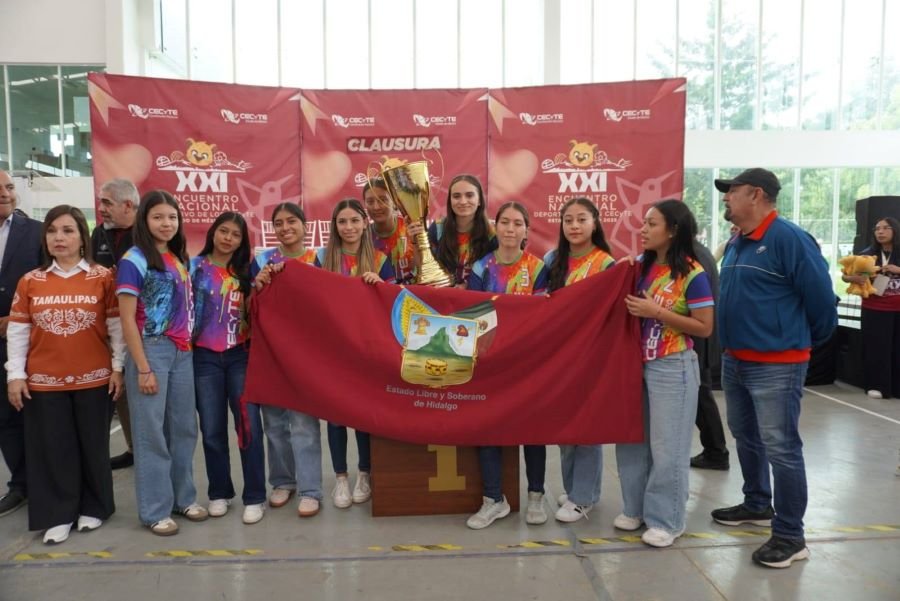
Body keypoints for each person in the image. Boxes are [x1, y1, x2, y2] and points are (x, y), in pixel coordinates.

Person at [712, 168, 837, 568]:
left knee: (781, 448)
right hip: (736, 359)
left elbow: (822, 302)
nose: (726, 197)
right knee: (745, 435)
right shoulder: (739, 241)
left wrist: (797, 342)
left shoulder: (788, 238)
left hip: (777, 364)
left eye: (732, 191)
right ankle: (756, 503)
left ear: (756, 194)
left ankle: (790, 536)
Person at [6, 205, 124, 544]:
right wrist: (15, 375)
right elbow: (18, 330)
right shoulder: (31, 281)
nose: (59, 237)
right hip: (44, 381)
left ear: (82, 237)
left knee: (93, 447)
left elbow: (116, 327)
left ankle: (94, 507)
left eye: (68, 230)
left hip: (95, 378)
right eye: (52, 230)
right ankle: (59, 514)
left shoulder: (103, 278)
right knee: (53, 449)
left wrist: (117, 368)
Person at [616, 200, 714, 548]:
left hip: (672, 366)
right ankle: (635, 509)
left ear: (672, 230)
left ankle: (667, 520)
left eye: (651, 224)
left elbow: (704, 327)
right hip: (636, 365)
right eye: (643, 222)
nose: (642, 229)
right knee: (632, 441)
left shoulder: (692, 273)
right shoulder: (639, 267)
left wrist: (656, 311)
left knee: (667, 447)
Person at [117, 190, 207, 536]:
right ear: (144, 220)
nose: (166, 223)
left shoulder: (178, 257)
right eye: (158, 217)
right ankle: (155, 510)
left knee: (184, 428)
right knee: (151, 432)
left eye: (172, 217)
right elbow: (127, 320)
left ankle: (183, 498)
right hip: (151, 350)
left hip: (182, 352)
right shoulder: (134, 259)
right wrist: (143, 367)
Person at [464, 202, 549, 529]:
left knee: (533, 429)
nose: (510, 229)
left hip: (528, 363)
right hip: (491, 362)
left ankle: (536, 495)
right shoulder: (481, 268)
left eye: (517, 223)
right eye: (505, 223)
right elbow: (475, 315)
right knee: (488, 428)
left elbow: (540, 318)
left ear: (526, 230)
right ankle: (493, 499)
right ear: (495, 227)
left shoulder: (538, 268)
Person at [317, 199, 395, 508]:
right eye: (342, 221)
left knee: (363, 414)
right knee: (336, 417)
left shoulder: (380, 259)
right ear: (334, 226)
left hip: (366, 351)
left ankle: (365, 472)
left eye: (354, 221)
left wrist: (381, 286)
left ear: (365, 224)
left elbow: (394, 304)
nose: (348, 227)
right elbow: (309, 298)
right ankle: (341, 477)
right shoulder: (322, 258)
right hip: (333, 352)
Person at [544, 197, 615, 523]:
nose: (574, 226)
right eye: (568, 220)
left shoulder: (606, 264)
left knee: (587, 428)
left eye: (581, 219)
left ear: (595, 222)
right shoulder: (551, 260)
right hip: (559, 357)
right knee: (565, 427)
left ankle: (583, 496)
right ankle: (574, 490)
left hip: (591, 357)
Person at [191, 212, 266, 524]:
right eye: (224, 231)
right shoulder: (194, 267)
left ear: (242, 241)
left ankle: (255, 496)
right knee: (211, 430)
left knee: (249, 427)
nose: (228, 239)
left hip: (240, 357)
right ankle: (219, 492)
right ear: (213, 232)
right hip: (204, 357)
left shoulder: (248, 271)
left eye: (235, 235)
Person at [251, 202, 324, 518]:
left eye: (291, 221)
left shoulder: (320, 259)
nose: (285, 228)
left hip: (307, 354)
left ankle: (310, 490)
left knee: (304, 424)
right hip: (271, 352)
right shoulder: (262, 261)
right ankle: (283, 481)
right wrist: (258, 285)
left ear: (305, 225)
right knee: (275, 423)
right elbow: (250, 305)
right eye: (278, 223)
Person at [0, 169, 43, 518]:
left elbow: (50, 283)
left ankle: (47, 481)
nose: (5, 193)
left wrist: (17, 318)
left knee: (35, 414)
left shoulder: (38, 233)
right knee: (4, 418)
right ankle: (21, 484)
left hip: (31, 341)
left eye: (9, 187)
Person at [91, 178, 139, 470]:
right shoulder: (99, 233)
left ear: (128, 205)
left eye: (107, 203)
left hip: (142, 327)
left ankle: (150, 449)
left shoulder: (147, 231)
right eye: (101, 202)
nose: (101, 208)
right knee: (118, 391)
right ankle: (134, 448)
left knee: (143, 390)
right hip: (107, 326)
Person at [843, 217, 900, 399]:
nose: (880, 232)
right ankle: (877, 385)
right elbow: (845, 276)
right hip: (874, 307)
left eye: (885, 228)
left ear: (895, 230)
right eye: (877, 229)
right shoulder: (867, 254)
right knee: (876, 348)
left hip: (898, 307)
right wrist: (855, 279)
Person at [689, 240, 730, 470]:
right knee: (701, 395)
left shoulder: (693, 257)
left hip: (697, 341)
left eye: (652, 224)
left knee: (701, 396)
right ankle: (715, 450)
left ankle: (716, 451)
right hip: (701, 339)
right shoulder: (699, 252)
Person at [428, 174, 496, 287]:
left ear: (479, 200)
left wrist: (469, 287)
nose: (463, 201)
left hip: (478, 296)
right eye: (456, 196)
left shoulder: (492, 234)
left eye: (469, 195)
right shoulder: (437, 228)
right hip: (443, 294)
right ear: (450, 201)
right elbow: (426, 267)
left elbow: (497, 275)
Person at [364, 178, 421, 284]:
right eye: (370, 202)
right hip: (380, 292)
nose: (376, 207)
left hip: (414, 291)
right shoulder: (363, 237)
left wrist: (416, 242)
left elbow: (422, 268)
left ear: (394, 202)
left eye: (383, 200)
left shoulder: (410, 227)